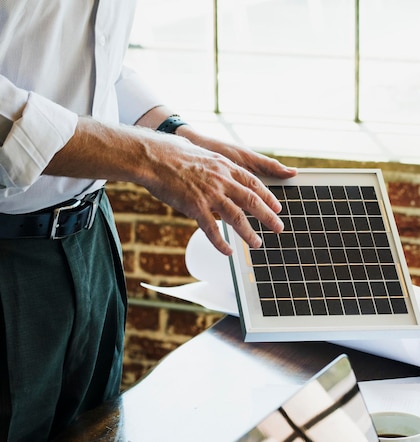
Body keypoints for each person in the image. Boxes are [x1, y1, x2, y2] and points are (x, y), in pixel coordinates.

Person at [0, 1, 297, 440]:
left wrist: (176, 135)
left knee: (92, 430)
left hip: (91, 245)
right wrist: (149, 157)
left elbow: (92, 60)